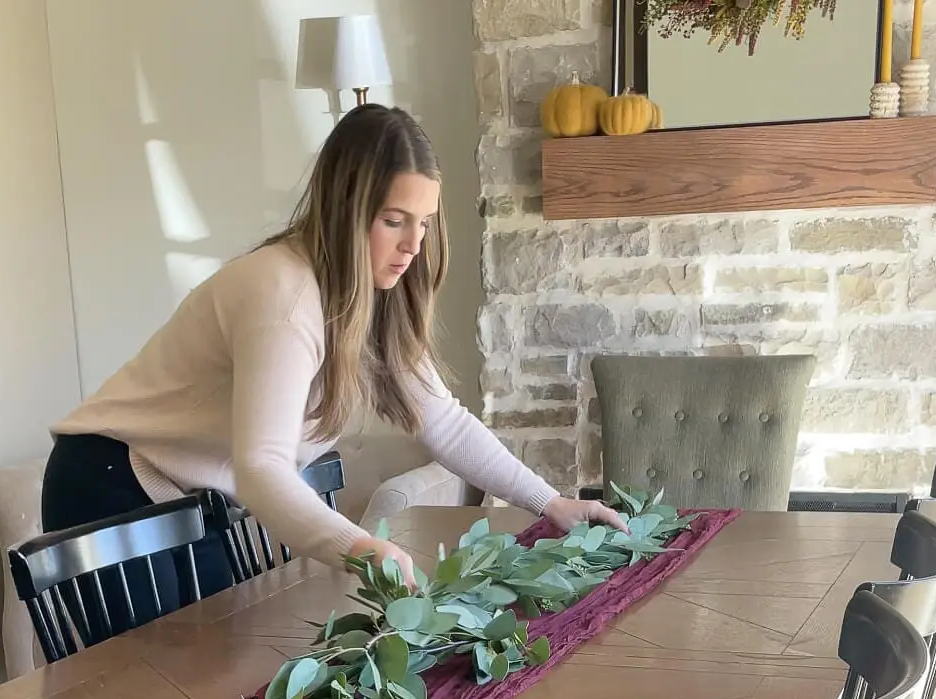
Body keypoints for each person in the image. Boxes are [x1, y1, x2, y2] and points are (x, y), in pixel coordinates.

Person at [42, 103, 624, 627]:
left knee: (219, 688)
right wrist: (361, 547)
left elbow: (442, 421)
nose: (413, 245)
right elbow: (263, 469)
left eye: (423, 222)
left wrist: (552, 504)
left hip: (184, 493)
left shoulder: (367, 298)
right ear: (346, 208)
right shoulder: (284, 296)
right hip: (109, 482)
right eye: (394, 219)